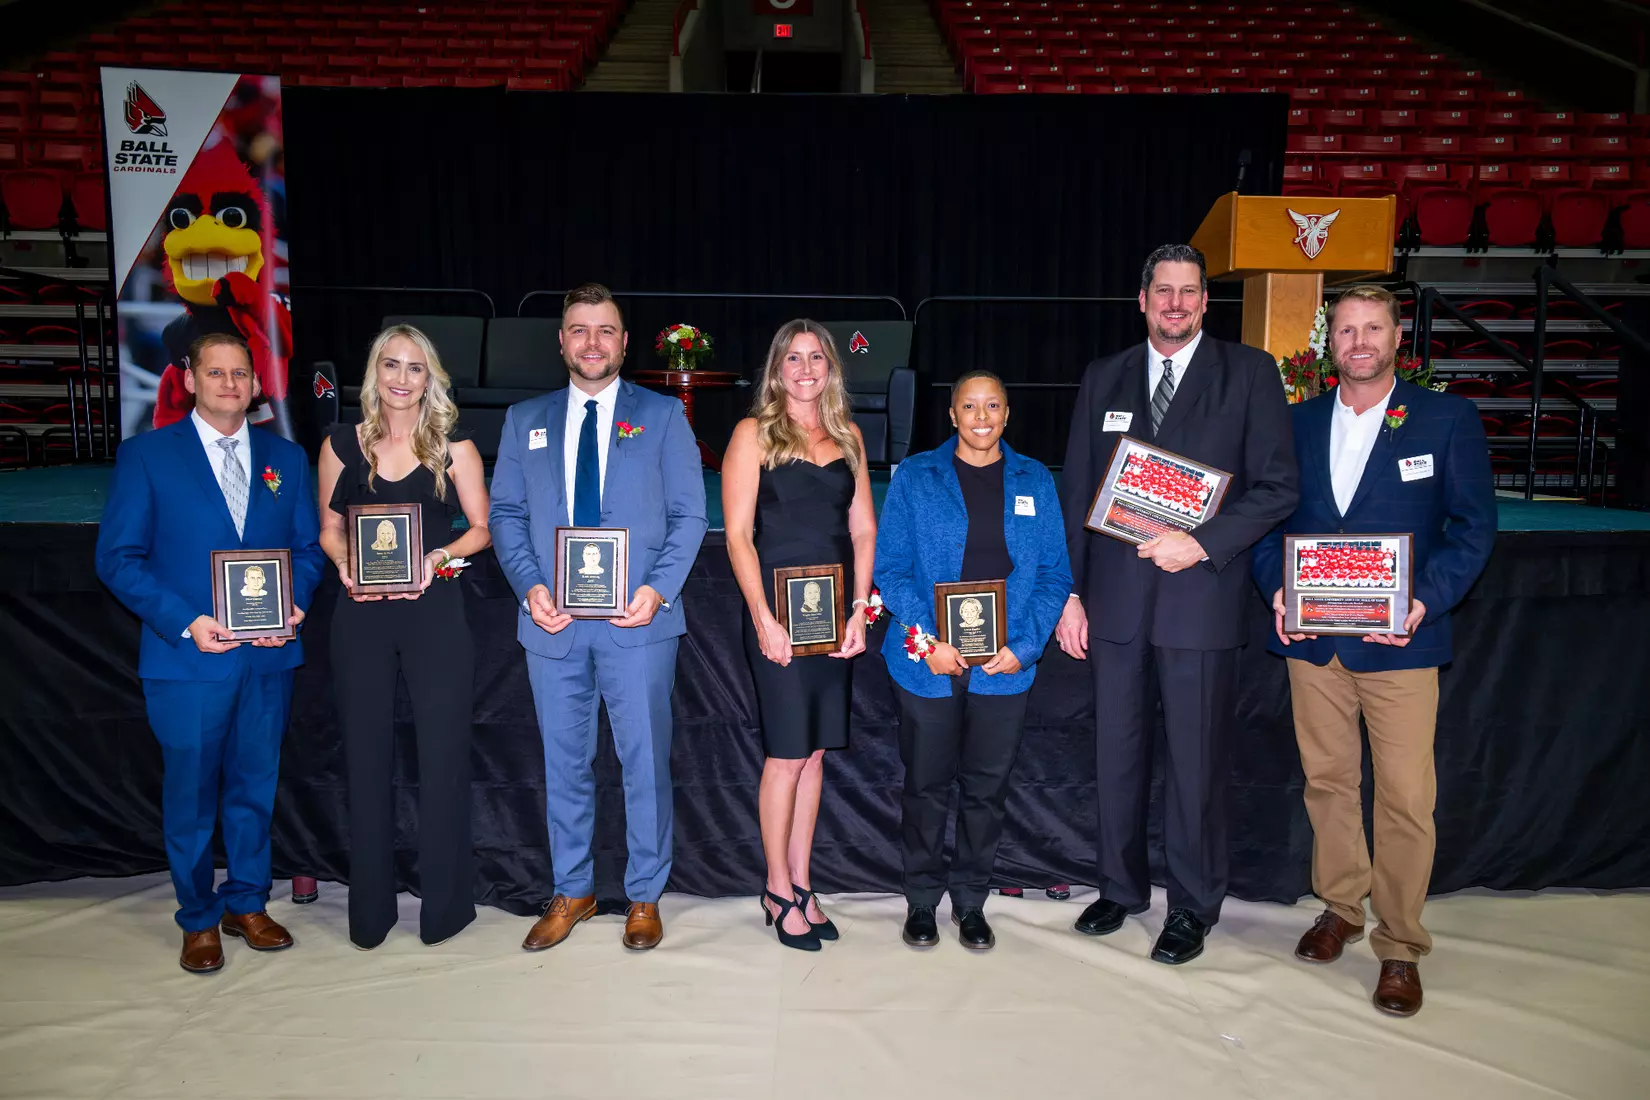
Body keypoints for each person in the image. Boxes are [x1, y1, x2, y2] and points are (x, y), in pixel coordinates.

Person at [1251, 284, 1495, 1017]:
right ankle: (1341, 908)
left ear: (1397, 338)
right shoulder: (1293, 424)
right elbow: (1265, 525)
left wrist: (1425, 599)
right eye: (1347, 329)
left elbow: (1472, 529)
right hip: (1314, 642)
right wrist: (1277, 589)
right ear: (1330, 341)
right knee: (1327, 784)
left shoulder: (1447, 420)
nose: (1358, 341)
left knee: (1407, 798)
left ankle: (1399, 945)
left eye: (1372, 329)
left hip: (1401, 642)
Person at [1058, 244, 1298, 965]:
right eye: (1162, 290)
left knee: (1196, 766)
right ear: (1142, 299)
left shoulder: (1250, 374)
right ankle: (1120, 886)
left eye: (1188, 292)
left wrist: (1201, 542)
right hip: (1117, 604)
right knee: (1117, 754)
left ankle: (1192, 907)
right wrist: (1072, 591)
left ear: (1204, 302)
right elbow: (1077, 489)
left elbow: (1279, 486)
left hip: (1202, 601)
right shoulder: (1106, 377)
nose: (1175, 303)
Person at [95, 332, 324, 974]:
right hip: (188, 660)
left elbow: (306, 552)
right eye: (215, 372)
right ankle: (198, 917)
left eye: (241, 373)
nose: (229, 383)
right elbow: (116, 558)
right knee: (192, 797)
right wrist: (185, 620)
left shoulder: (286, 457)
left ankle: (246, 902)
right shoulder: (147, 457)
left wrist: (296, 605)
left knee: (255, 787)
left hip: (267, 657)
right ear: (190, 380)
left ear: (256, 384)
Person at [490, 282, 708, 951]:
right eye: (579, 330)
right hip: (552, 624)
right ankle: (574, 888)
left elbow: (689, 515)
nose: (591, 342)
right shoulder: (523, 418)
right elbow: (506, 515)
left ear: (622, 340)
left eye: (605, 330)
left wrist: (658, 590)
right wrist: (529, 587)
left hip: (638, 623)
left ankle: (644, 895)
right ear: (561, 341)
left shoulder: (665, 416)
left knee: (643, 762)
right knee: (565, 762)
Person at [874, 371, 1071, 950]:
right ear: (952, 415)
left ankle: (970, 902)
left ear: (1007, 414)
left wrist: (1026, 645)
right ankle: (920, 902)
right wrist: (929, 641)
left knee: (987, 788)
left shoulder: (1035, 478)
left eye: (992, 405)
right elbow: (892, 569)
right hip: (927, 662)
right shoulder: (916, 476)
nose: (981, 416)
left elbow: (1055, 575)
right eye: (969, 406)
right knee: (927, 785)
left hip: (1005, 664)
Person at [317, 324, 492, 949]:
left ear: (430, 379)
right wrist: (344, 568)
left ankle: (446, 910)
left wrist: (435, 560)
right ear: (374, 373)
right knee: (365, 761)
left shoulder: (455, 445)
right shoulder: (341, 443)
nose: (400, 378)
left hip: (433, 611)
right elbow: (330, 530)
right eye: (389, 365)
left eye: (414, 368)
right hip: (360, 614)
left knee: (442, 759)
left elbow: (480, 529)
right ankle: (370, 912)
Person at [722, 320, 876, 952]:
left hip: (834, 616)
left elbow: (863, 530)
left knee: (813, 755)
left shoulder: (850, 435)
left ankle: (804, 883)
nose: (805, 369)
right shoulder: (752, 434)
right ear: (776, 369)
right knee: (786, 755)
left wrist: (861, 609)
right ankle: (776, 888)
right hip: (778, 619)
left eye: (816, 358)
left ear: (831, 368)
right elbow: (737, 536)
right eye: (793, 358)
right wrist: (763, 617)